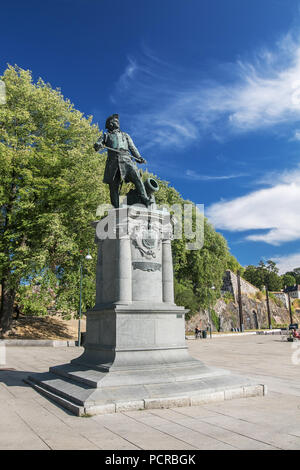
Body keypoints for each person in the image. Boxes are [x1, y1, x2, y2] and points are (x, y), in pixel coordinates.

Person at [94, 114, 150, 208]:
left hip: (126, 159)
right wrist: (98, 145)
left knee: (137, 177)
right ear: (110, 124)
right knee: (113, 186)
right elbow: (98, 144)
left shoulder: (125, 135)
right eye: (116, 121)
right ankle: (115, 207)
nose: (118, 123)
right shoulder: (106, 135)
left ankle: (144, 198)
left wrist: (139, 157)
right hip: (113, 162)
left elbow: (132, 147)